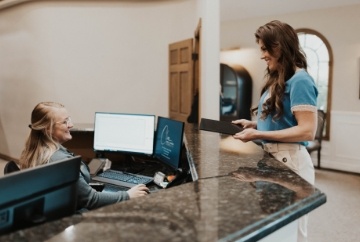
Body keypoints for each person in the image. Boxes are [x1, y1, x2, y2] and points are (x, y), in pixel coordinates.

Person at [231, 20, 318, 242]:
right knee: (276, 228)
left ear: (279, 46)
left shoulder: (301, 81)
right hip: (274, 158)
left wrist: (259, 134)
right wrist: (255, 125)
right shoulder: (279, 79)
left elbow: (307, 132)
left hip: (292, 162)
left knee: (293, 230)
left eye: (264, 48)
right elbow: (283, 120)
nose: (262, 55)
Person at [18, 102, 149, 212]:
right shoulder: (59, 160)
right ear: (48, 129)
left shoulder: (38, 151)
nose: (71, 125)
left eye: (69, 119)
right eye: (65, 122)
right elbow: (91, 200)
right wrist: (127, 195)